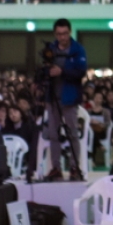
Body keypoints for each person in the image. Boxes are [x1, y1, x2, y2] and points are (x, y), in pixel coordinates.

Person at [42, 18, 87, 181]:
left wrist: (62, 71)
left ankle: (75, 167)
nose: (62, 37)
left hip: (70, 96)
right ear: (55, 34)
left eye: (65, 33)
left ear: (70, 32)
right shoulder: (50, 49)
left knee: (72, 133)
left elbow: (81, 72)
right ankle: (56, 168)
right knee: (53, 134)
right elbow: (43, 69)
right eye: (59, 34)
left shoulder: (78, 50)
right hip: (52, 97)